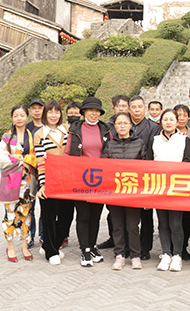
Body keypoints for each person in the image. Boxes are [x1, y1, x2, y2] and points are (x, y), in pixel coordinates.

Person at [145, 109, 190, 272]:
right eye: (165, 119)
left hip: (177, 187)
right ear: (161, 121)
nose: (168, 122)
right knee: (163, 223)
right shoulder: (155, 140)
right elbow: (149, 162)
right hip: (159, 187)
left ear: (177, 122)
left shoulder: (185, 140)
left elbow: (187, 162)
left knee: (176, 223)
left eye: (172, 119)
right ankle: (166, 253)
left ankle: (177, 255)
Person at [65, 96, 111, 267]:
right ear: (84, 112)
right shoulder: (75, 129)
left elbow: (110, 151)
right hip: (81, 179)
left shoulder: (105, 129)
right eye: (90, 110)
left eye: (97, 111)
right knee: (83, 215)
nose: (94, 113)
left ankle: (92, 246)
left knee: (96, 215)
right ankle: (84, 249)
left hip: (100, 180)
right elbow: (68, 152)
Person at [101, 112, 146, 270]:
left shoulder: (139, 143)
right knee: (118, 225)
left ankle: (135, 255)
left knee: (132, 226)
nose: (122, 126)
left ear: (130, 125)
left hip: (133, 193)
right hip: (115, 193)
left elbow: (145, 167)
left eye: (125, 123)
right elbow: (103, 166)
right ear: (114, 126)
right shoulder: (110, 145)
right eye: (119, 123)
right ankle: (119, 255)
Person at [33, 100, 73, 265]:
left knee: (67, 216)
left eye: (57, 112)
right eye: (50, 112)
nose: (53, 115)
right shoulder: (40, 134)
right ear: (45, 114)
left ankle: (51, 245)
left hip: (68, 180)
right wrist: (43, 184)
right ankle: (51, 252)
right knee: (49, 216)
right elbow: (40, 161)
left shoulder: (68, 130)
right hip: (49, 180)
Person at [0, 105, 36, 262]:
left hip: (27, 182)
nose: (19, 118)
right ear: (12, 118)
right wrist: (22, 161)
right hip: (11, 181)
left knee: (26, 214)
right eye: (16, 115)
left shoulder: (31, 136)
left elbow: (35, 156)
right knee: (10, 214)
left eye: (22, 115)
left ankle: (24, 245)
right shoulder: (7, 136)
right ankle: (10, 246)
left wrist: (26, 160)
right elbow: (3, 158)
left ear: (27, 117)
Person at [174, 103, 190, 260]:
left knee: (186, 216)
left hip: (187, 180)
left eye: (184, 115)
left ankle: (183, 247)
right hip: (170, 181)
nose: (181, 118)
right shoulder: (167, 133)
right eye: (178, 115)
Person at [27, 97, 44, 247]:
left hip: (45, 172)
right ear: (30, 111)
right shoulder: (26, 129)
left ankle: (43, 236)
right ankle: (30, 235)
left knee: (45, 206)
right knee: (29, 206)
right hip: (31, 172)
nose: (37, 111)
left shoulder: (48, 127)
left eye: (39, 108)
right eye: (34, 108)